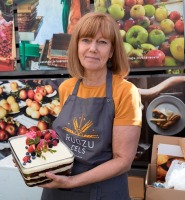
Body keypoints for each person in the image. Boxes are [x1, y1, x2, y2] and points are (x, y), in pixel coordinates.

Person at [40, 12, 142, 200]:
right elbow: (64, 144)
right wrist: (33, 161)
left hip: (102, 191)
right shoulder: (66, 88)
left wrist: (72, 181)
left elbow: (123, 161)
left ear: (111, 51)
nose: (93, 48)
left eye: (102, 42)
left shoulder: (125, 92)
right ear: (77, 45)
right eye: (86, 40)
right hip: (57, 190)